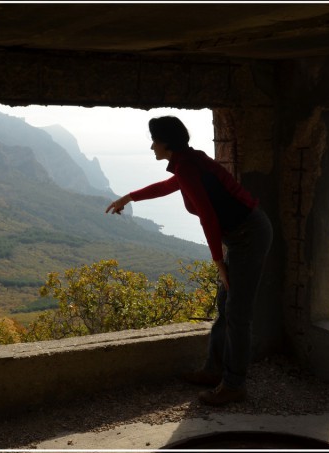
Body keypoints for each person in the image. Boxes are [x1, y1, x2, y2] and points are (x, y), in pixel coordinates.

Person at [106, 116, 273, 406]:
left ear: (166, 142)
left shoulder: (188, 164)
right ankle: (213, 370)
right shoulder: (188, 162)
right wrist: (129, 197)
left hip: (249, 235)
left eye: (154, 140)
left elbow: (208, 216)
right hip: (242, 234)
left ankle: (234, 385)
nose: (151, 146)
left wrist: (219, 263)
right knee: (226, 307)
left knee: (238, 312)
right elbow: (169, 186)